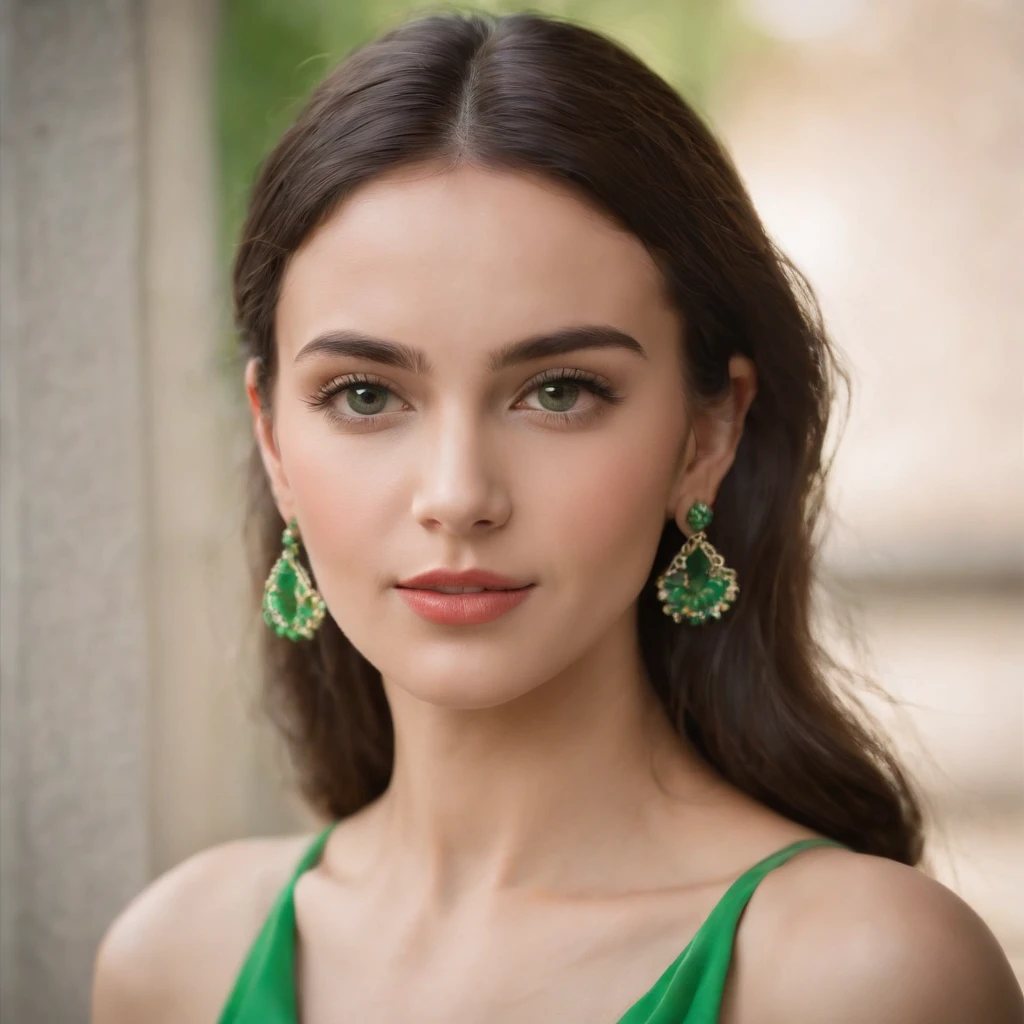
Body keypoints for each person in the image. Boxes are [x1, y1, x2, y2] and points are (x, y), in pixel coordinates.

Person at [91, 9, 1023, 1023]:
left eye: (558, 391)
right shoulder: (176, 959)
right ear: (272, 439)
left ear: (706, 435)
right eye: (365, 394)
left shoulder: (862, 975)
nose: (456, 494)